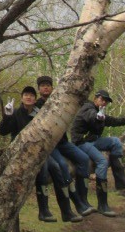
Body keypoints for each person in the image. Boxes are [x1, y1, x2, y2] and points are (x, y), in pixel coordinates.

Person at [0, 86, 81, 225]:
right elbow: (3, 131)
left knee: (57, 168)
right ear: (22, 98)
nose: (29, 97)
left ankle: (66, 211)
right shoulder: (16, 113)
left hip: (40, 150)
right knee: (44, 167)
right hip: (22, 152)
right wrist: (7, 117)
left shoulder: (39, 114)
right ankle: (44, 210)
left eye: (31, 95)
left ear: (35, 99)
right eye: (26, 95)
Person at [71, 89, 125, 217]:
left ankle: (121, 180)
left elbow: (112, 121)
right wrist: (97, 116)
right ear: (96, 98)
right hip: (81, 142)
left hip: (94, 141)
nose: (103, 103)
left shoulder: (100, 112)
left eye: (106, 101)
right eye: (102, 99)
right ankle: (103, 204)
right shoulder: (88, 107)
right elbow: (90, 116)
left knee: (115, 142)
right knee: (102, 161)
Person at [35, 75, 95, 217]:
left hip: (63, 142)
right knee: (62, 166)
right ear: (39, 89)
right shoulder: (37, 105)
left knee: (84, 159)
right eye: (42, 85)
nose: (45, 87)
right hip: (51, 145)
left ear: (52, 88)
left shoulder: (58, 102)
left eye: (48, 85)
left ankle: (83, 199)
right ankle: (75, 204)